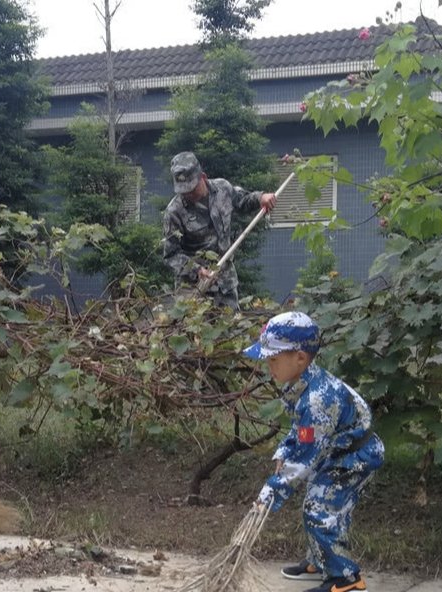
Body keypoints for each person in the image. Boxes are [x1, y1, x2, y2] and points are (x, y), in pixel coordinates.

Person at [243, 311, 384, 592]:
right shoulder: (302, 385)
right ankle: (319, 561)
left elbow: (305, 459)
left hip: (354, 456)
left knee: (320, 509)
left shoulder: (319, 399)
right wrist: (283, 452)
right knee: (319, 503)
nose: (268, 367)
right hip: (335, 450)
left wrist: (271, 492)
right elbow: (302, 430)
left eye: (273, 359)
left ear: (300, 358)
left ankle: (345, 579)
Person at [162, 151, 277, 309]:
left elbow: (243, 200)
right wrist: (197, 270)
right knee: (195, 332)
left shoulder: (222, 188)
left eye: (192, 188)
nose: (188, 194)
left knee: (231, 330)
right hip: (193, 291)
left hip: (225, 284)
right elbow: (171, 255)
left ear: (203, 177)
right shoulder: (174, 212)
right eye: (184, 191)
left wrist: (260, 197)